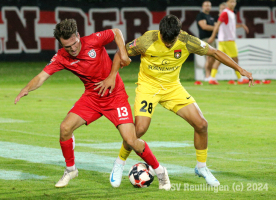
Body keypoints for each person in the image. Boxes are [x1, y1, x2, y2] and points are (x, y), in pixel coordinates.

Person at [14, 19, 171, 190]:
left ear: (78, 36)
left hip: (115, 97)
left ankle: (161, 171)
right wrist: (27, 88)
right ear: (61, 44)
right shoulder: (61, 57)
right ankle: (71, 170)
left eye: (74, 43)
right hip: (92, 98)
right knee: (65, 128)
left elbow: (116, 32)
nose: (73, 49)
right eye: (68, 47)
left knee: (131, 140)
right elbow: (41, 76)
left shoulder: (93, 41)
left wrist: (123, 54)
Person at [106, 14, 254, 188]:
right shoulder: (147, 40)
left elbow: (214, 52)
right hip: (148, 88)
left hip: (172, 88)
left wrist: (239, 69)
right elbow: (121, 51)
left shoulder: (187, 41)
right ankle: (119, 162)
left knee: (201, 124)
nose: (168, 44)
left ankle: (201, 167)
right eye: (165, 40)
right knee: (139, 130)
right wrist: (112, 76)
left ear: (178, 34)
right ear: (160, 32)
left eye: (172, 41)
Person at [207, 0, 249, 85]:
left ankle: (212, 78)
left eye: (234, 2)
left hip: (224, 40)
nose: (233, 3)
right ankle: (240, 79)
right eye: (231, 2)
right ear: (227, 3)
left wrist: (241, 25)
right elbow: (218, 25)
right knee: (235, 59)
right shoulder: (225, 13)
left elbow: (230, 26)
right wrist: (212, 36)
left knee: (219, 59)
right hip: (227, 40)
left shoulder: (230, 13)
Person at [196, 1, 216, 82]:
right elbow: (204, 26)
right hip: (205, 39)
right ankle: (207, 76)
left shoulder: (210, 17)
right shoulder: (200, 15)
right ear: (202, 6)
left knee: (213, 58)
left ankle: (210, 76)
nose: (207, 7)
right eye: (206, 5)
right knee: (208, 58)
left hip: (212, 39)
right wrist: (216, 28)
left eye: (209, 5)